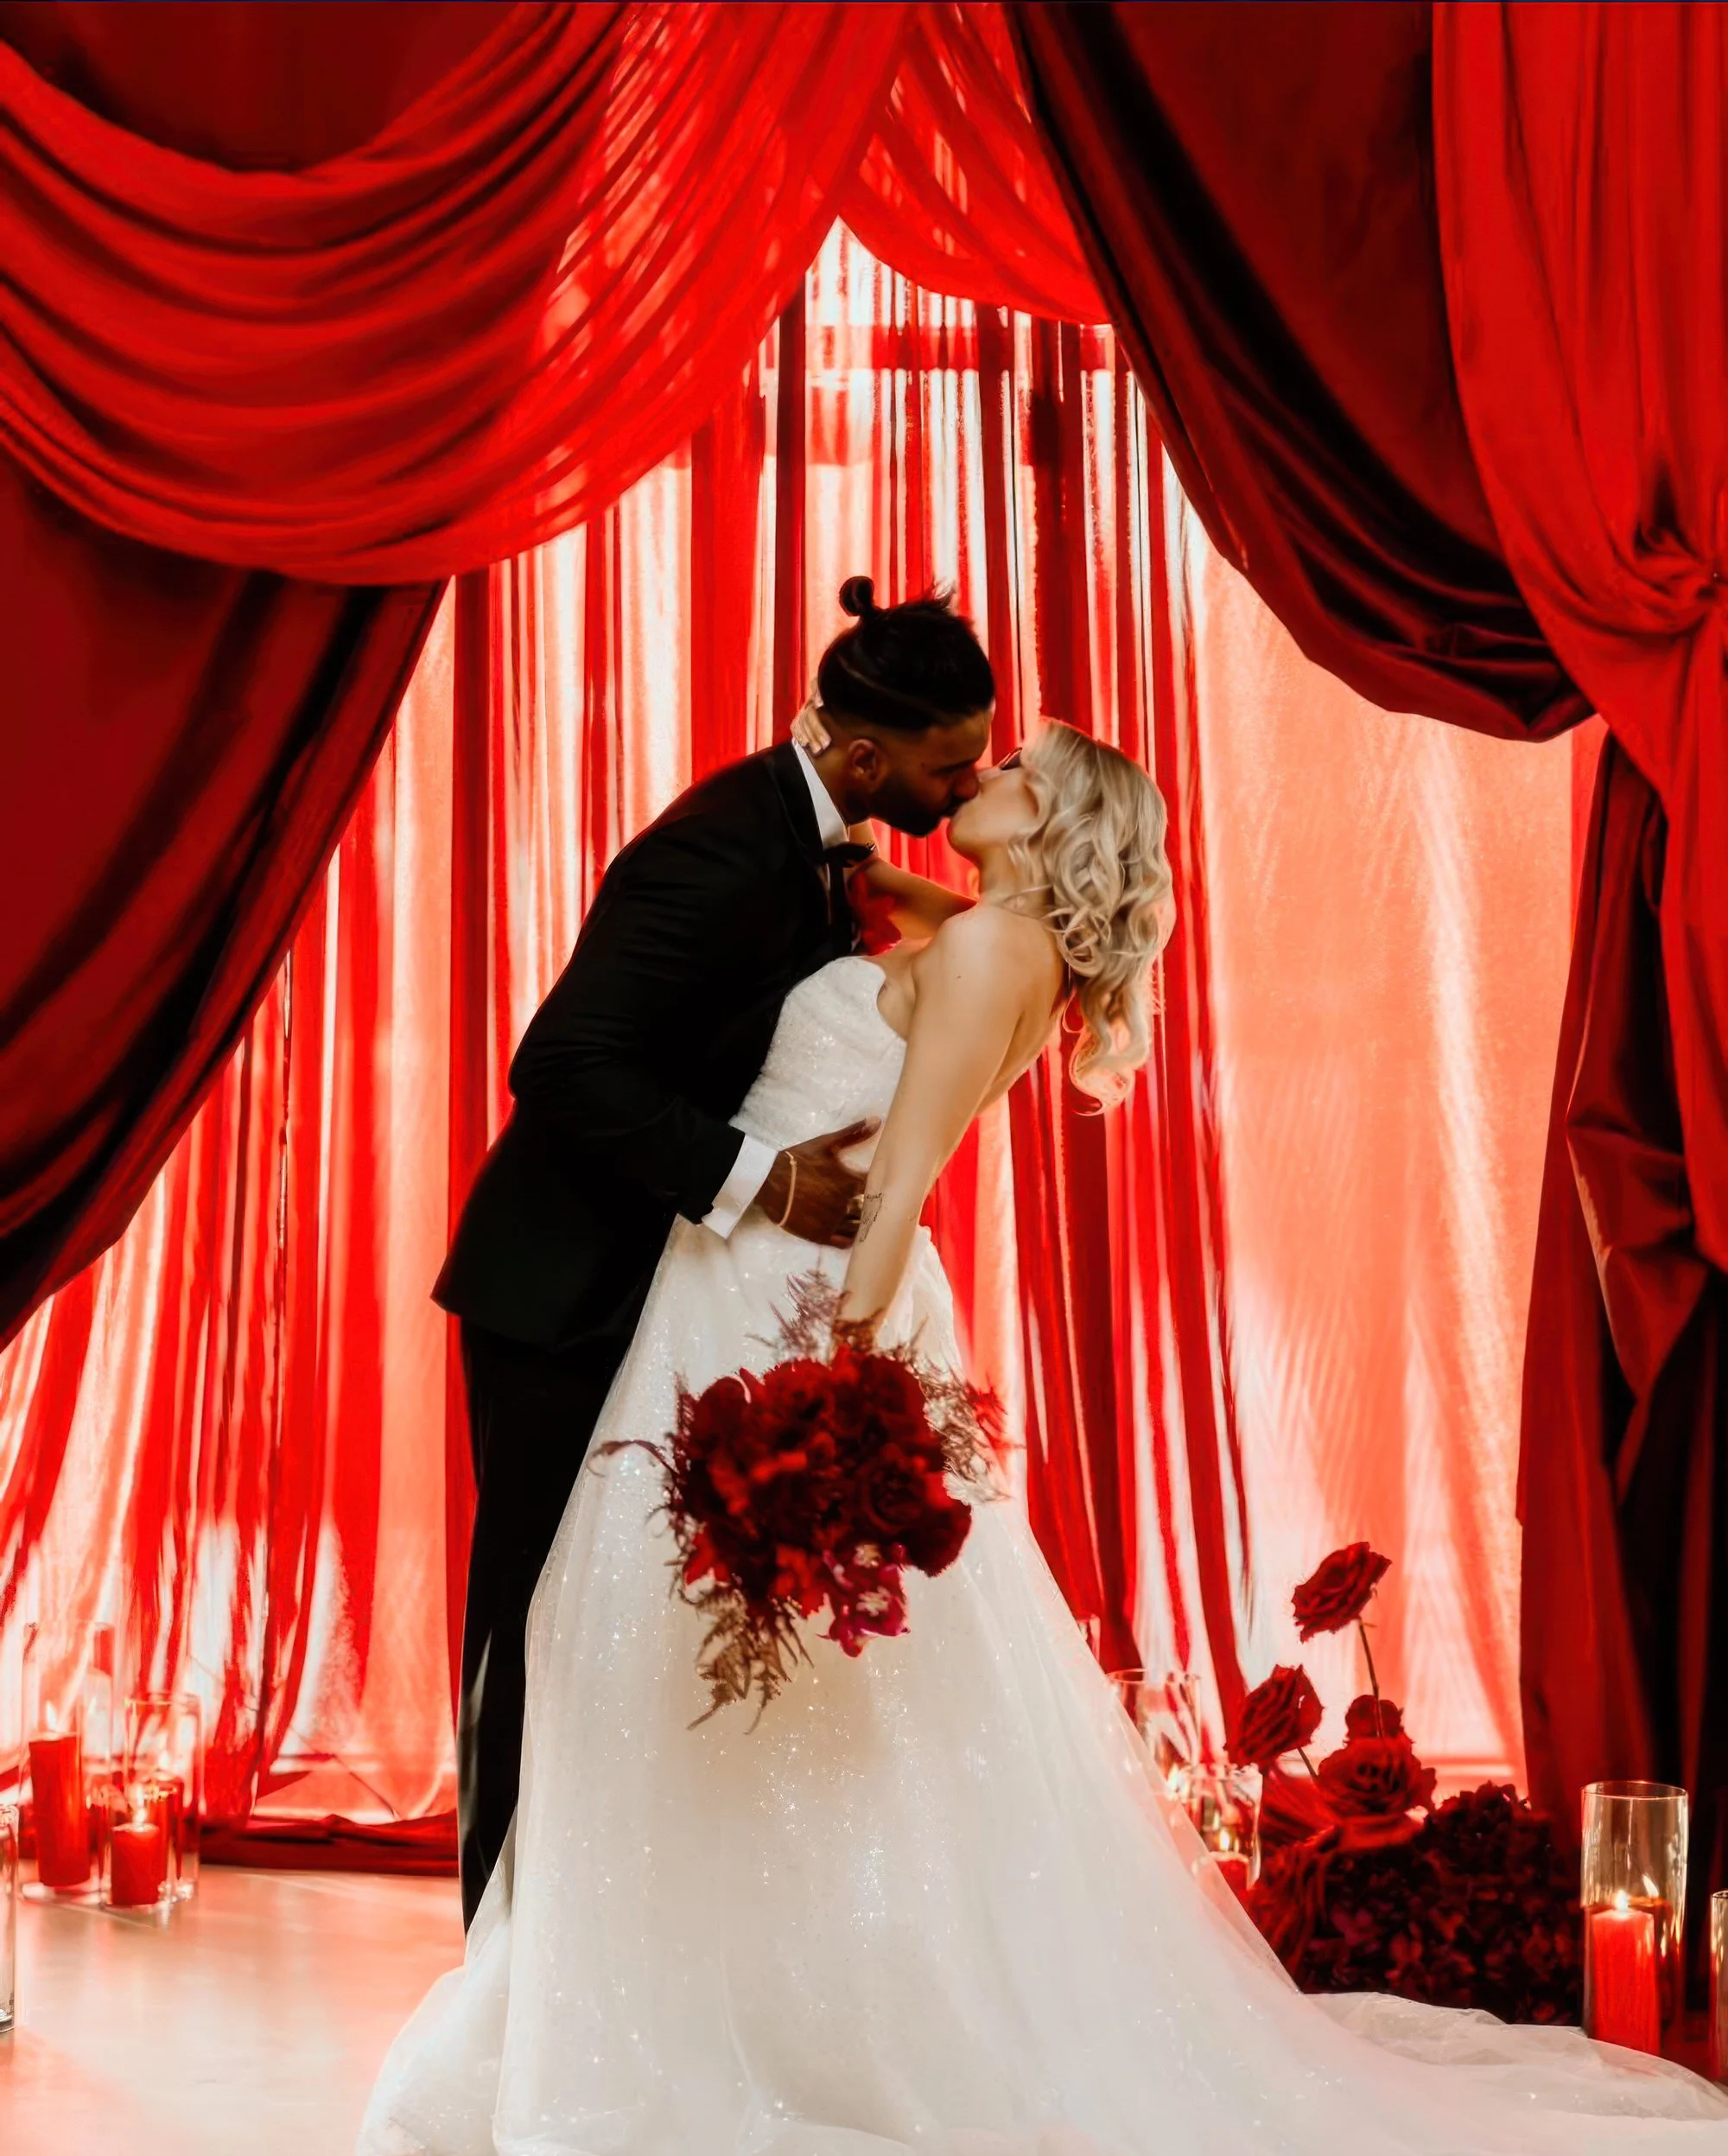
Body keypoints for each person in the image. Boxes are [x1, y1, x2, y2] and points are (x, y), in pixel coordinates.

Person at [366, 693, 1728, 2153]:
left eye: (1012, 766)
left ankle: (731, 2008)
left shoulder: (992, 953)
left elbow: (895, 1188)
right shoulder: (1000, 938)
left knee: (702, 1651)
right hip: (736, 1287)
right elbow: (916, 919)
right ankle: (733, 1985)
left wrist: (835, 1394)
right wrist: (845, 850)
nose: (982, 768)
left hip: (791, 1298)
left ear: (1055, 815)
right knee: (723, 1668)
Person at [433, 577, 994, 1924]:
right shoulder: (717, 850)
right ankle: (495, 1947)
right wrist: (769, 1178)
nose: (967, 784)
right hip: (562, 1290)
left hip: (665, 1290)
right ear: (868, 758)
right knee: (532, 1623)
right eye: (950, 764)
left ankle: (591, 1928)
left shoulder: (818, 838)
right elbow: (562, 1061)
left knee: (616, 1630)